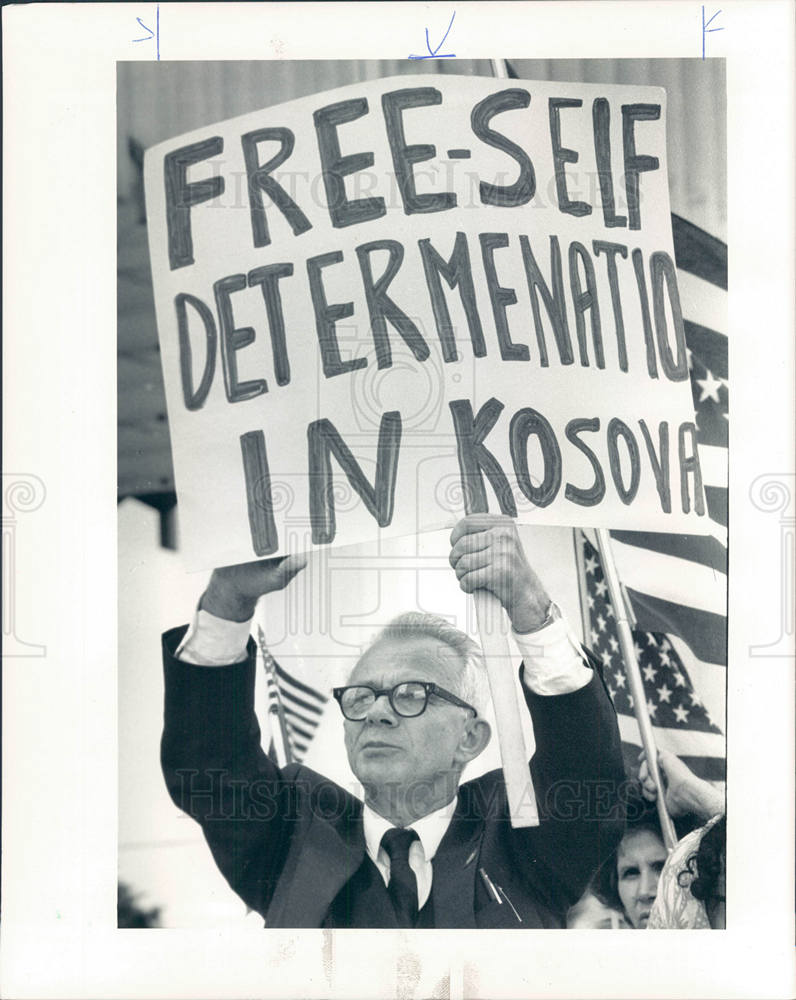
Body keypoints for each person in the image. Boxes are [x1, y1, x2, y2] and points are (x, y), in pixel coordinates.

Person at [161, 514, 625, 928]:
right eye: (361, 698)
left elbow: (585, 767)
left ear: (470, 737)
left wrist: (527, 602)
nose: (378, 712)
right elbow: (212, 763)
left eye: (410, 695)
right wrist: (227, 597)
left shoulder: (521, 831)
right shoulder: (293, 834)